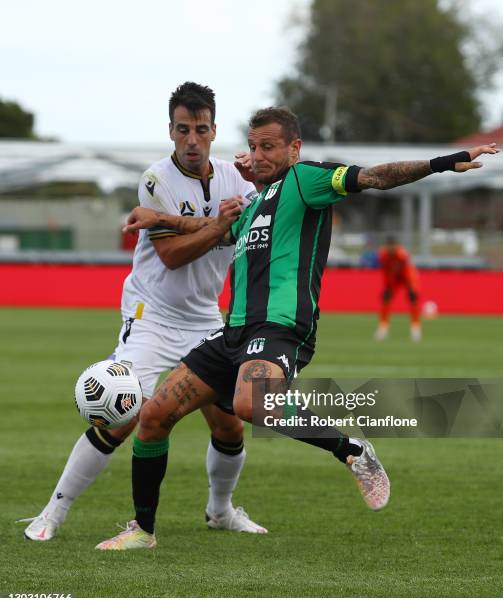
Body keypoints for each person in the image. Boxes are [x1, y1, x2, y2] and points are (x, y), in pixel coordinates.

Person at [95, 107, 499, 550]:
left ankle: (352, 449)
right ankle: (143, 531)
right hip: (234, 334)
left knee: (254, 403)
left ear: (294, 148)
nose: (258, 155)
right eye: (252, 146)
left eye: (268, 146)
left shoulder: (307, 181)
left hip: (281, 327)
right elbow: (213, 229)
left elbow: (377, 176)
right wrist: (162, 219)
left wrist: (441, 162)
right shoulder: (253, 205)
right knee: (154, 417)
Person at [20, 82, 267, 542]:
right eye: (182, 129)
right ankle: (53, 512)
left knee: (229, 421)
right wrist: (220, 226)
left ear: (214, 131)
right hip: (151, 315)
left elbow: (254, 222)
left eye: (200, 129)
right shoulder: (155, 180)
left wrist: (253, 186)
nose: (191, 140)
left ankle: (220, 511)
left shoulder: (237, 178)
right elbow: (174, 255)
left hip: (206, 319)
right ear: (170, 131)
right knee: (123, 413)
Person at [375, 236, 421, 341]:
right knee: (385, 299)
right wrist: (387, 286)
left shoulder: (402, 254)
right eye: (389, 246)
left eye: (393, 245)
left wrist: (412, 287)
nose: (391, 248)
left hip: (406, 276)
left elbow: (408, 270)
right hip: (393, 278)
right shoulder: (383, 255)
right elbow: (386, 272)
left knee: (413, 299)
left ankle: (415, 329)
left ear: (396, 245)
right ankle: (383, 328)